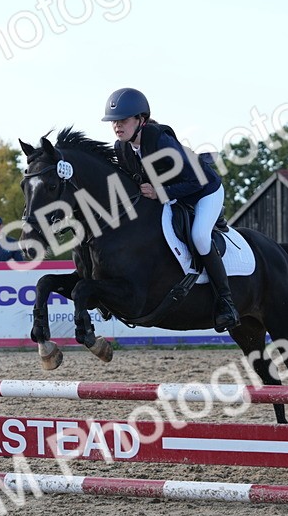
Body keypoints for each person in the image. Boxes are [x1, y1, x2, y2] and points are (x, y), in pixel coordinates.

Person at [102, 87, 239, 332]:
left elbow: (195, 180)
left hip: (204, 191)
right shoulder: (122, 148)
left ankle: (226, 302)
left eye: (122, 120)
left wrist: (159, 193)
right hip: (173, 195)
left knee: (199, 236)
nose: (117, 126)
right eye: (114, 122)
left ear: (141, 120)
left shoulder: (160, 141)